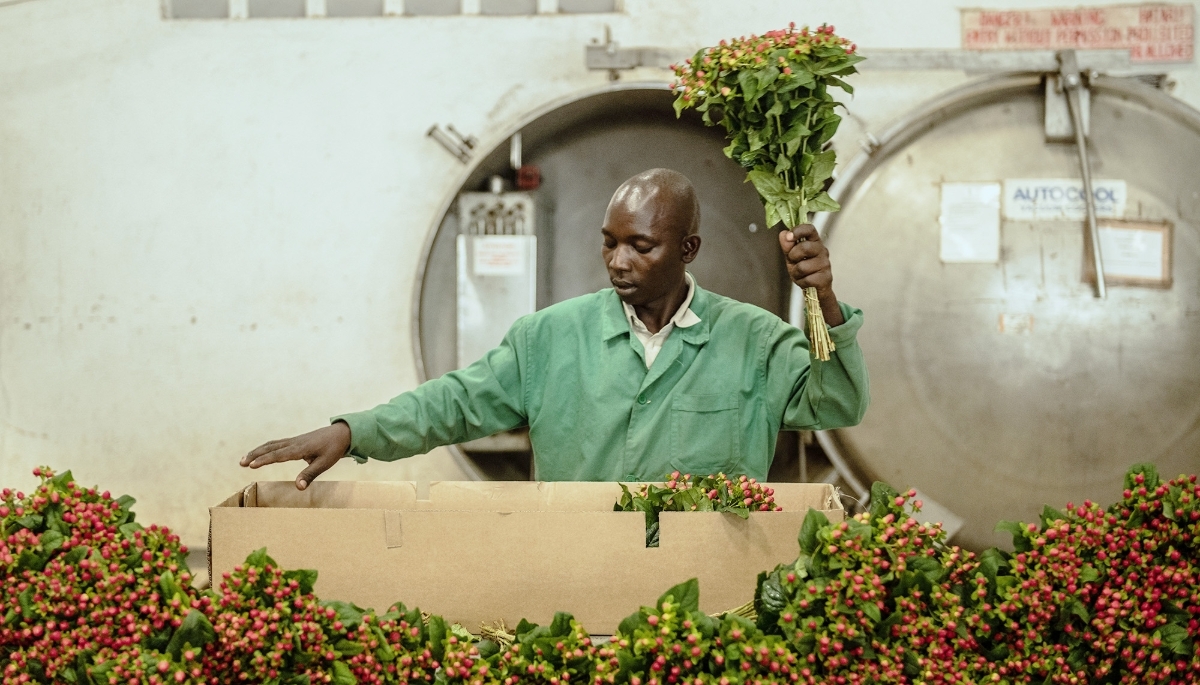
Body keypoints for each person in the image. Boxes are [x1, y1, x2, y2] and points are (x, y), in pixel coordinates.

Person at [241, 168, 869, 489]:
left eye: (641, 246)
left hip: (710, 602)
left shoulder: (752, 341)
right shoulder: (549, 338)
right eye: (610, 244)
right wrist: (353, 432)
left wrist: (826, 297)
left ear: (689, 248)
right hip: (579, 584)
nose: (619, 261)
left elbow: (838, 400)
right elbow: (455, 404)